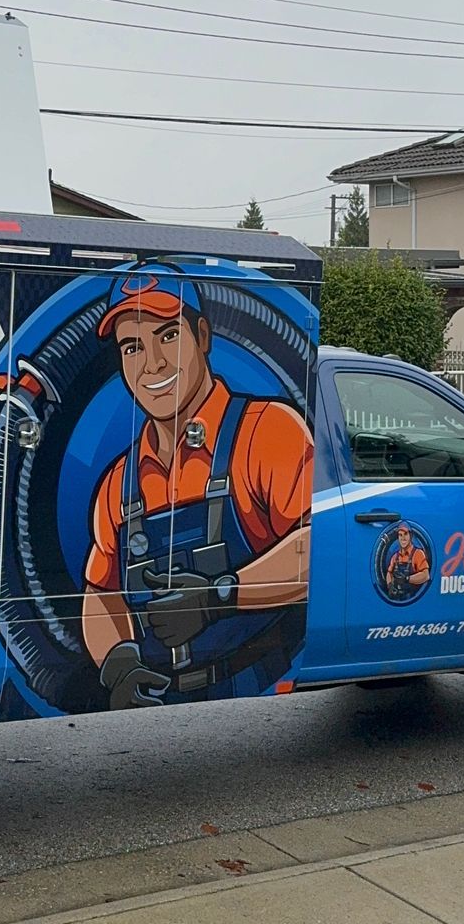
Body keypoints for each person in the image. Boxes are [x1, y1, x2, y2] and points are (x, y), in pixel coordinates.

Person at [82, 266, 313, 707]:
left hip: (264, 687)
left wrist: (217, 596)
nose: (152, 364)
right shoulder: (117, 484)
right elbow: (100, 592)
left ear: (202, 336)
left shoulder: (268, 432)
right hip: (169, 698)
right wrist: (119, 664)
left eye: (168, 335)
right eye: (133, 346)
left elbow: (315, 547)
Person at [385, 523, 430, 600]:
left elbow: (426, 575)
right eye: (400, 535)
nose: (403, 538)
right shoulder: (395, 557)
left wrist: (407, 579)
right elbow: (389, 573)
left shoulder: (418, 554)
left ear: (411, 536)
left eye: (405, 534)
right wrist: (390, 586)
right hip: (397, 598)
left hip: (413, 598)